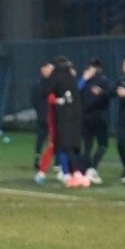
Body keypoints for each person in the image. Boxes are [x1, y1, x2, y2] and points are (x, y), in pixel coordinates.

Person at [47, 57, 88, 188]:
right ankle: (72, 174)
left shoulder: (57, 79)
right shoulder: (71, 80)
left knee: (65, 146)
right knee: (70, 147)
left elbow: (46, 93)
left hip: (64, 118)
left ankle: (77, 174)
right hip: (74, 118)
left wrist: (58, 101)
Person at [78, 57, 111, 185]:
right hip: (97, 117)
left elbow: (76, 94)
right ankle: (91, 169)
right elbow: (107, 97)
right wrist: (102, 93)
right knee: (103, 144)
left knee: (87, 146)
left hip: (85, 117)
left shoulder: (84, 80)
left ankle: (85, 170)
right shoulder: (102, 80)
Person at [32, 60, 54, 183]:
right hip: (43, 116)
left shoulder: (55, 84)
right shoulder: (38, 84)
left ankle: (56, 163)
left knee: (54, 140)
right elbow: (34, 100)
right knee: (41, 138)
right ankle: (38, 158)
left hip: (53, 116)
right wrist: (41, 111)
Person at [113, 56, 125, 183]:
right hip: (124, 119)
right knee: (120, 143)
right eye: (124, 66)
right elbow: (112, 92)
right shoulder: (121, 80)